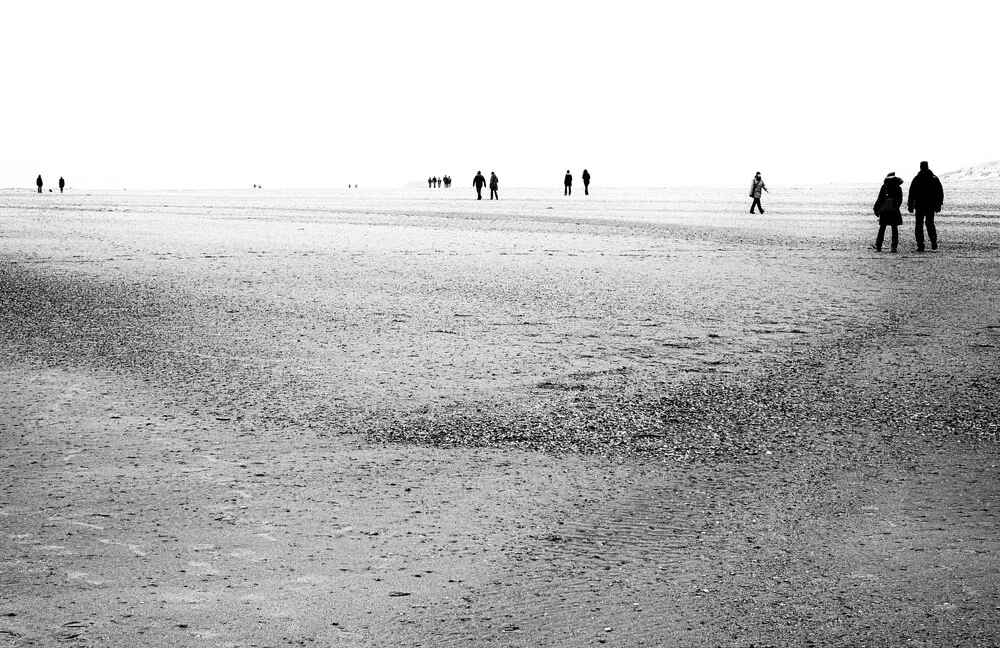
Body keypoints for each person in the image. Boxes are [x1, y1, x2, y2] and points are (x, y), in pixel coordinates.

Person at [907, 161, 944, 251]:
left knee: (919, 224)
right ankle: (933, 240)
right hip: (930, 205)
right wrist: (939, 204)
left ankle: (920, 245)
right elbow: (940, 192)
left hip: (919, 205)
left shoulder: (917, 178)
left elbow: (911, 193)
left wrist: (910, 205)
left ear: (920, 167)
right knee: (930, 222)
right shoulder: (934, 178)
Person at [870, 172, 904, 252]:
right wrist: (895, 206)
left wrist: (876, 208)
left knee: (882, 228)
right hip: (894, 210)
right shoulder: (898, 187)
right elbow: (900, 200)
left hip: (885, 210)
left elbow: (880, 199)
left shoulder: (884, 186)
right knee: (894, 228)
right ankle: (894, 247)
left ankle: (878, 245)